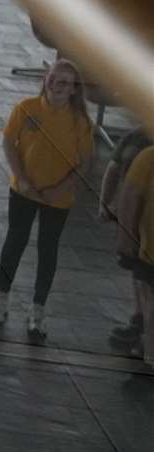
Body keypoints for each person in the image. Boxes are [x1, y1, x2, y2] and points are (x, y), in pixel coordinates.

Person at [0, 60, 94, 342]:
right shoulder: (26, 108)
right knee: (15, 241)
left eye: (67, 83)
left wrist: (59, 190)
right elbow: (10, 143)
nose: (59, 86)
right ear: (46, 80)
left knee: (48, 250)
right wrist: (21, 179)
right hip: (24, 192)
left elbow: (84, 163)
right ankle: (0, 298)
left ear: (73, 90)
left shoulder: (80, 122)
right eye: (56, 79)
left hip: (58, 198)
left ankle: (37, 309)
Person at [101, 125, 151, 354]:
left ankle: (144, 328)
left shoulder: (137, 140)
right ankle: (141, 322)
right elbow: (114, 170)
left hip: (139, 220)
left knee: (143, 278)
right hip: (135, 220)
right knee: (140, 276)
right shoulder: (136, 140)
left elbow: (113, 170)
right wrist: (106, 203)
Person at [112, 141, 154, 374]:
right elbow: (130, 196)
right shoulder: (146, 156)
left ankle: (148, 349)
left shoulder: (147, 157)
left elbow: (129, 197)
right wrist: (126, 239)